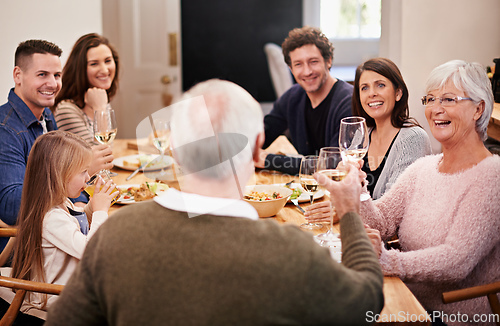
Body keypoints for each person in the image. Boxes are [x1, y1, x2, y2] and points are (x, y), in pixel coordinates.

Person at [45, 79, 383, 326]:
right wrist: (350, 213)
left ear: (174, 148)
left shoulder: (115, 235)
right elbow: (367, 302)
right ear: (257, 149)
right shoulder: (292, 251)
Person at [359, 60, 500, 325]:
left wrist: (387, 261)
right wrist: (358, 190)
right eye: (431, 99)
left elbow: (455, 261)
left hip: (452, 316)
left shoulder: (492, 176)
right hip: (406, 301)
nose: (436, 109)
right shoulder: (423, 169)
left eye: (448, 99)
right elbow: (379, 222)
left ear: (478, 109)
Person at [0, 39, 112, 253]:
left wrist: (80, 207)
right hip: (26, 248)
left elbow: (65, 173)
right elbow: (11, 206)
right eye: (42, 74)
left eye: (57, 75)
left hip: (58, 232)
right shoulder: (5, 129)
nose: (52, 84)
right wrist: (78, 183)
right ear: (18, 75)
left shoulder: (46, 116)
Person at [0, 130, 117, 324]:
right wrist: (100, 212)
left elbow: (77, 222)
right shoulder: (51, 217)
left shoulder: (62, 202)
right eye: (83, 172)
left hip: (72, 283)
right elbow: (92, 252)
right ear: (58, 176)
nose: (88, 178)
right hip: (56, 297)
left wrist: (91, 207)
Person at [256, 26, 353, 176]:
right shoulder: (292, 97)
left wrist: (267, 160)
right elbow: (263, 134)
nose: (307, 71)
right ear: (291, 68)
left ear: (328, 61)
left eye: (313, 62)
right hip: (307, 188)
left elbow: (331, 165)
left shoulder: (348, 102)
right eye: (298, 64)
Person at [352, 57, 431, 199]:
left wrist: (344, 209)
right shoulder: (361, 134)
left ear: (398, 93)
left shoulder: (413, 138)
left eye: (380, 85)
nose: (371, 93)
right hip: (354, 221)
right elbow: (344, 190)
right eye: (364, 88)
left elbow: (392, 209)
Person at [53, 33, 120, 144]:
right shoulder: (66, 110)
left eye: (108, 61)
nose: (104, 70)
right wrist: (100, 109)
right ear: (80, 69)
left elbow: (109, 150)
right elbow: (95, 158)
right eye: (94, 64)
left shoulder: (100, 99)